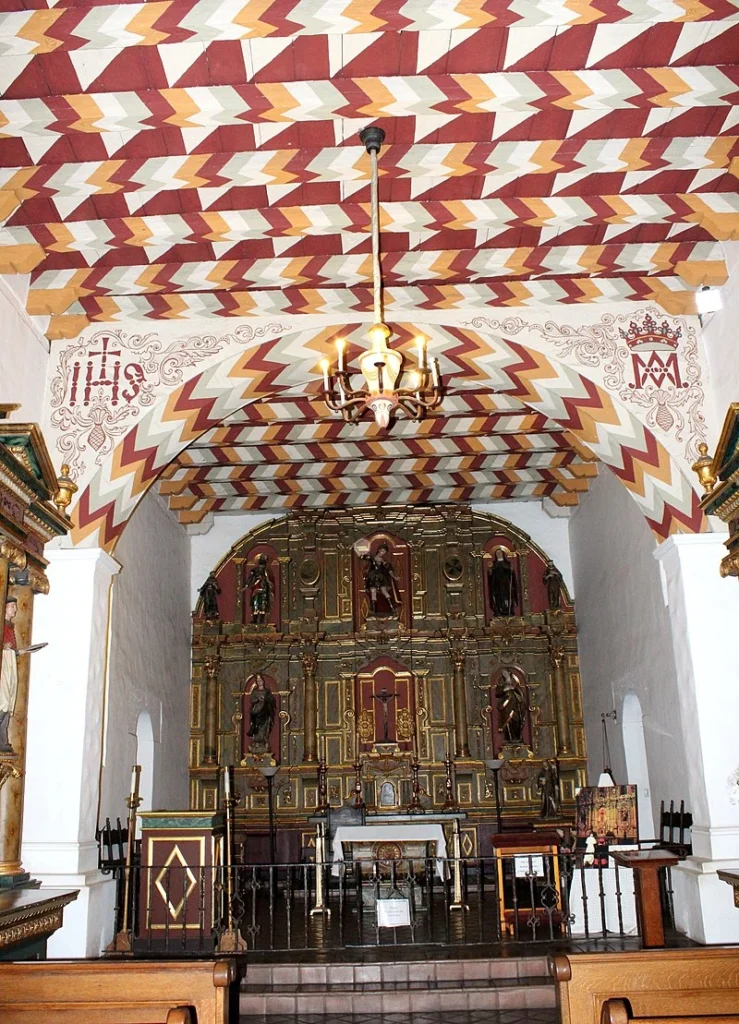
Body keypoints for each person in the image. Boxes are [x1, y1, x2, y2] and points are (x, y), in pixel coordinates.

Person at [0, 597, 19, 753]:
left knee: (8, 702)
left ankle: (3, 739)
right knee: (3, 701)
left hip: (9, 664)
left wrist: (19, 651)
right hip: (3, 668)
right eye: (12, 606)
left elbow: (11, 648)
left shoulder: (10, 627)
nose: (15, 610)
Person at [363, 543, 400, 616]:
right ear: (379, 550)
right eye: (382, 551)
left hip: (380, 577)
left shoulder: (384, 561)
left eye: (384, 552)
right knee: (373, 591)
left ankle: (391, 606)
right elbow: (363, 557)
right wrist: (366, 555)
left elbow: (389, 570)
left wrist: (394, 577)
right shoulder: (372, 557)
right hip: (372, 577)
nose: (383, 553)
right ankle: (374, 609)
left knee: (384, 590)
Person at [495, 668, 528, 744]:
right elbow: (497, 694)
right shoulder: (501, 684)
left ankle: (517, 738)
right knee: (508, 723)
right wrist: (505, 689)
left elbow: (521, 695)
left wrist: (513, 689)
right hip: (506, 708)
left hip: (516, 706)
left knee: (517, 721)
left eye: (507, 674)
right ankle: (509, 739)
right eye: (504, 674)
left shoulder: (515, 684)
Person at [246, 675, 276, 753]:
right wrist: (257, 699)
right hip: (256, 711)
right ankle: (256, 741)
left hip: (265, 711)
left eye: (260, 680)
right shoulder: (255, 691)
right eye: (258, 681)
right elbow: (252, 699)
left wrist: (266, 699)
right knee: (256, 726)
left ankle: (263, 740)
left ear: (263, 681)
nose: (259, 682)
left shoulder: (267, 691)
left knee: (264, 726)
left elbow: (272, 700)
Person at [488, 548, 519, 617]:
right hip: (497, 585)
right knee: (498, 598)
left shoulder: (507, 564)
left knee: (507, 597)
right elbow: (491, 576)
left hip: (506, 584)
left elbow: (511, 575)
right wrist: (490, 572)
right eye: (497, 553)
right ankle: (499, 610)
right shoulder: (494, 564)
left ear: (503, 554)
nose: (498, 554)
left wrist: (511, 570)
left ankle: (508, 610)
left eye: (500, 553)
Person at [246, 555, 274, 625]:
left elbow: (269, 581)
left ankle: (262, 619)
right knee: (255, 604)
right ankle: (255, 620)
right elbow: (250, 579)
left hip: (264, 589)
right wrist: (247, 585)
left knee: (263, 605)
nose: (262, 567)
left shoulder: (266, 571)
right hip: (256, 589)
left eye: (263, 565)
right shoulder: (254, 570)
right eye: (261, 565)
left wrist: (267, 582)